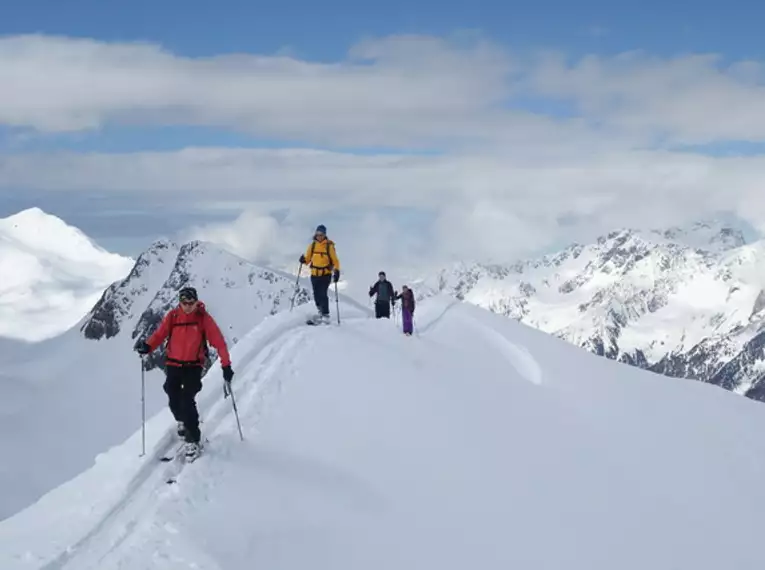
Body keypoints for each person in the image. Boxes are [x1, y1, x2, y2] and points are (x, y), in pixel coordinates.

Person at [134, 286, 234, 459]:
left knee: (187, 399)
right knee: (172, 394)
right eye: (184, 302)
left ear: (196, 302)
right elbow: (160, 335)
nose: (187, 306)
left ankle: (193, 439)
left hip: (193, 365)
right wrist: (148, 346)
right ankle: (182, 420)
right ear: (179, 302)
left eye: (191, 302)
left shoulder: (203, 319)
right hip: (173, 363)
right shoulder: (173, 316)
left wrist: (226, 366)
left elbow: (219, 343)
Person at [299, 224, 341, 324]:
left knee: (323, 294)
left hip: (325, 274)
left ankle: (325, 315)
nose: (319, 236)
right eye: (318, 234)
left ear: (325, 235)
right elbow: (308, 259)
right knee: (316, 295)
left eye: (321, 234)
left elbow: (335, 261)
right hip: (314, 274)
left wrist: (337, 271)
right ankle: (320, 311)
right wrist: (303, 260)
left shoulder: (329, 247)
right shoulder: (312, 246)